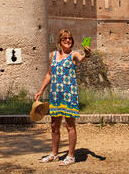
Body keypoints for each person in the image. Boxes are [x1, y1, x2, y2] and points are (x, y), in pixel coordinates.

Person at [34, 28, 91, 166]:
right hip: (55, 95)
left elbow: (82, 58)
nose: (68, 41)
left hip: (69, 95)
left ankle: (71, 156)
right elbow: (49, 74)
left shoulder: (73, 55)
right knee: (54, 125)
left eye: (70, 39)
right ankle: (54, 153)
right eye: (65, 39)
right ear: (60, 41)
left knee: (70, 126)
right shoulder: (53, 55)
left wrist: (87, 54)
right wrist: (41, 90)